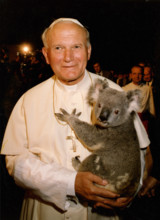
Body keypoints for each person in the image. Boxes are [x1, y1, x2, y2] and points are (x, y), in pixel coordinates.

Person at [1, 18, 150, 220]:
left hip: (103, 211)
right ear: (46, 54)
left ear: (88, 51)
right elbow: (16, 162)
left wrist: (132, 190)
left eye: (76, 47)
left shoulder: (115, 93)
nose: (68, 57)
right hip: (45, 211)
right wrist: (70, 182)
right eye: (59, 48)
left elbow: (141, 150)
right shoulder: (29, 100)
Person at [123, 65, 155, 132]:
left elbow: (151, 107)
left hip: (143, 122)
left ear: (142, 75)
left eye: (139, 74)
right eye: (134, 74)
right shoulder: (125, 89)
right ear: (131, 75)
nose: (137, 76)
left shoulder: (147, 88)